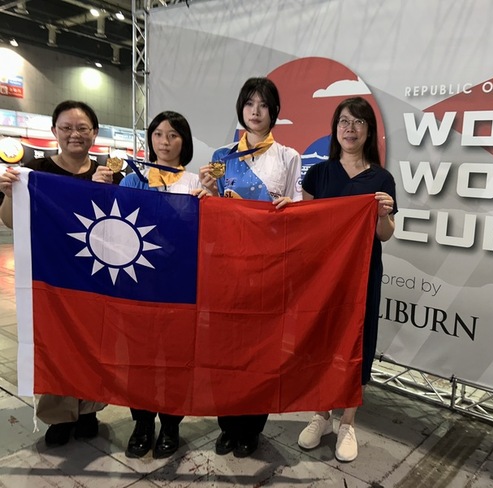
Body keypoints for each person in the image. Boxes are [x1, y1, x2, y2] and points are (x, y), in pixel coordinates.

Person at [0, 100, 116, 446]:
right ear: (54, 131)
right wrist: (9, 193)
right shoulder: (34, 172)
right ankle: (58, 416)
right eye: (66, 128)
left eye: (82, 128)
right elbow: (11, 222)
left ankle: (88, 410)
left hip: (94, 275)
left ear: (94, 133)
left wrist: (107, 190)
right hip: (48, 275)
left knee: (93, 343)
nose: (74, 134)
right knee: (53, 343)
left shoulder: (109, 174)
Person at [199, 77, 302, 458]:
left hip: (267, 265)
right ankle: (227, 425)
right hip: (227, 264)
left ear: (274, 112)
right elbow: (214, 210)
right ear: (241, 109)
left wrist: (290, 207)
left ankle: (252, 428)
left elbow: (296, 211)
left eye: (263, 105)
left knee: (261, 348)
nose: (255, 111)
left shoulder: (288, 157)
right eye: (249, 104)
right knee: (225, 347)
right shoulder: (222, 156)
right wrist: (208, 190)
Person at [96, 110, 206, 459]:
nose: (165, 141)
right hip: (138, 284)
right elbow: (112, 228)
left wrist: (211, 204)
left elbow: (206, 235)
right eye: (158, 134)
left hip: (180, 285)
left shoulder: (196, 184)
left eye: (173, 135)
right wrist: (98, 191)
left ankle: (171, 425)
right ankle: (142, 424)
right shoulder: (133, 181)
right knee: (138, 359)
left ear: (184, 141)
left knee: (175, 358)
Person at [296, 97, 396, 462]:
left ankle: (348, 421)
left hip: (363, 275)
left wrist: (383, 214)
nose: (350, 129)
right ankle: (321, 414)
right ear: (335, 129)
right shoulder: (318, 174)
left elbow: (385, 235)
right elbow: (306, 225)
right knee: (323, 340)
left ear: (369, 130)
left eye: (358, 122)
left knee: (358, 341)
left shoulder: (381, 179)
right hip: (324, 275)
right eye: (343, 122)